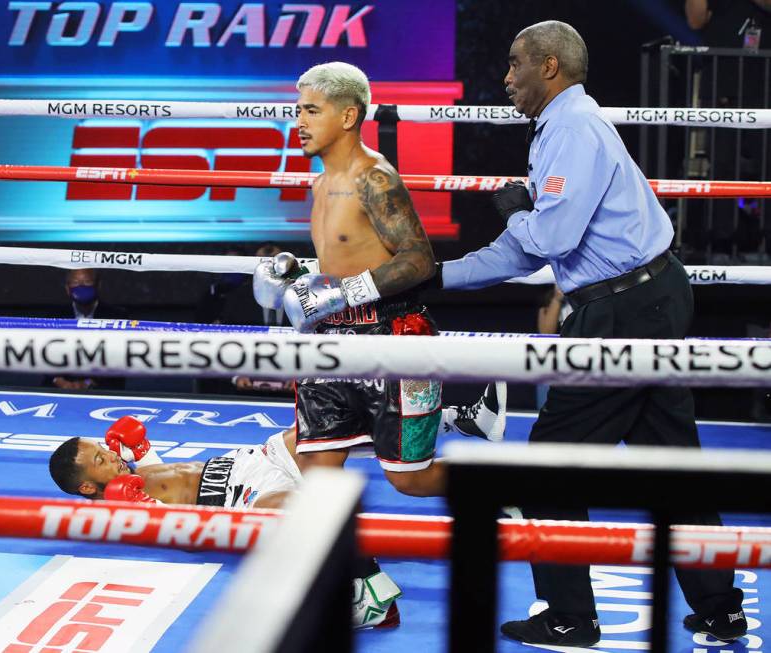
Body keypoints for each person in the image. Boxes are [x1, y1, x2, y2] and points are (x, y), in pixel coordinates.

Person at [431, 20, 745, 646]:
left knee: (550, 462)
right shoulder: (564, 126)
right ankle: (719, 607)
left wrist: (451, 270)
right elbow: (549, 235)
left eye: (516, 63)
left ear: (550, 67)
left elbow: (548, 242)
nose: (506, 77)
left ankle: (571, 615)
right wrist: (462, 266)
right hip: (647, 295)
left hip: (624, 310)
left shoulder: (573, 128)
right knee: (672, 463)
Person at [253, 61, 447, 499]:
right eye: (298, 111)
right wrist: (295, 279)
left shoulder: (374, 178)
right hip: (330, 340)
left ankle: (504, 492)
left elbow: (419, 261)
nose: (298, 122)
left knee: (409, 478)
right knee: (318, 471)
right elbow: (343, 262)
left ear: (347, 116)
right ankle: (357, 567)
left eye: (311, 111)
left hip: (392, 335)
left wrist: (343, 292)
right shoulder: (322, 183)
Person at [49, 416, 405, 628]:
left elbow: (162, 476)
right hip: (243, 497)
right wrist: (145, 503)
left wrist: (142, 452)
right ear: (86, 486)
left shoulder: (127, 478)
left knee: (330, 423)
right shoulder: (120, 511)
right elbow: (179, 530)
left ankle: (448, 419)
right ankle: (370, 593)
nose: (111, 454)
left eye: (103, 448)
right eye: (101, 458)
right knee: (309, 510)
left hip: (252, 460)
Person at [50, 268, 127, 391]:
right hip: (58, 385)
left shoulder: (117, 316)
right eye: (75, 282)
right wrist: (60, 381)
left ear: (98, 285)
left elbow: (117, 357)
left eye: (87, 282)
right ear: (67, 288)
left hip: (103, 385)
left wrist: (88, 383)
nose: (81, 286)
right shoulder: (53, 316)